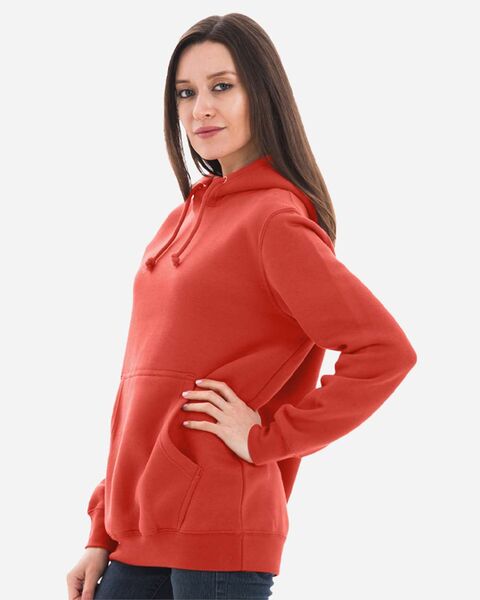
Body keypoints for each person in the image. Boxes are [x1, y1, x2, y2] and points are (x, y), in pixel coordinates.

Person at [66, 12, 417, 600]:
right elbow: (136, 392)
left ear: (263, 94)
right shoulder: (176, 224)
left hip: (221, 535)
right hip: (137, 535)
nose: (201, 108)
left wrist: (267, 438)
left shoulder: (274, 221)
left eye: (222, 86)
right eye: (186, 93)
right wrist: (101, 529)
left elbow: (385, 352)